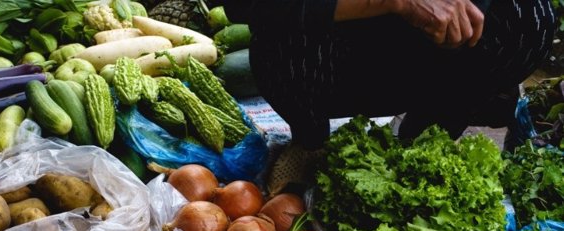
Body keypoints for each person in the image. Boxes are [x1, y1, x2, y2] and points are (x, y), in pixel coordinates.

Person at [211, 0, 557, 193]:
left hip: (424, 45)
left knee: (531, 18)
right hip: (329, 42)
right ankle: (310, 142)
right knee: (281, 38)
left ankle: (426, 139)